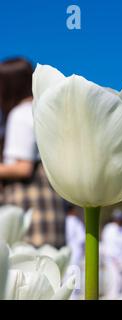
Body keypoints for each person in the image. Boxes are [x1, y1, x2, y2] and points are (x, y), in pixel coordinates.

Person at [0, 57, 65, 247]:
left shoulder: (19, 114)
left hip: (29, 201)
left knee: (26, 262)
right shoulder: (43, 109)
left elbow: (23, 168)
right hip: (50, 202)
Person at [101, 209, 122, 299]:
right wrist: (111, 257)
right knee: (115, 279)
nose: (118, 220)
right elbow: (107, 244)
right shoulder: (109, 228)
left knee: (121, 280)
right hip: (111, 259)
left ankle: (117, 296)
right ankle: (113, 297)